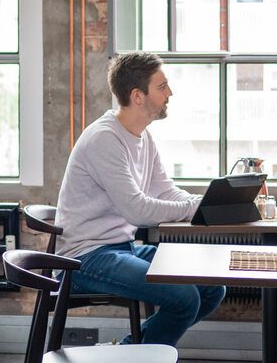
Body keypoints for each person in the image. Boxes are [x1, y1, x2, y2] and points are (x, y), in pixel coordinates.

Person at [54, 51, 225, 346]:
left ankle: (127, 351)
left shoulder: (143, 137)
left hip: (123, 248)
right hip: (85, 258)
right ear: (137, 95)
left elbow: (164, 190)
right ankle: (135, 355)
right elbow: (138, 210)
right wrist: (193, 207)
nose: (170, 93)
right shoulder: (104, 138)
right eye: (162, 86)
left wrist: (203, 203)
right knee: (183, 297)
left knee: (212, 287)